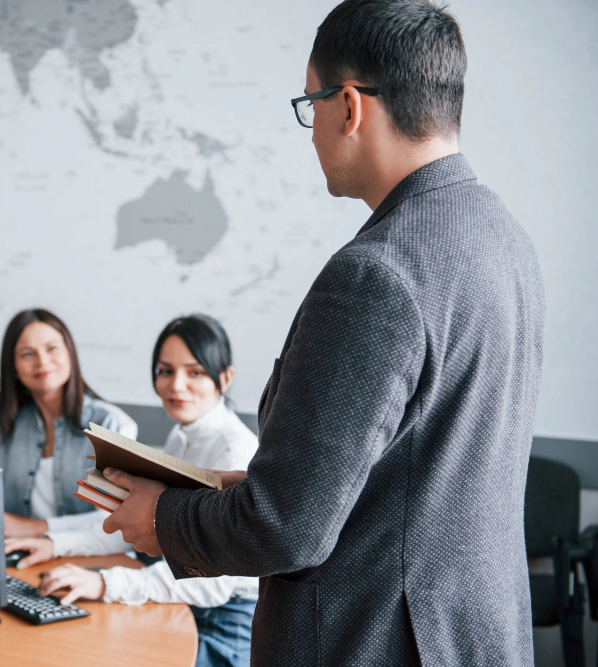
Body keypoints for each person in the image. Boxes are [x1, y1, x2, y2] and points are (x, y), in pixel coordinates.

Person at [103, 2, 545, 665]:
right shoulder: (504, 239)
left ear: (349, 106)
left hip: (373, 640)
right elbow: (418, 472)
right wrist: (245, 489)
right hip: (474, 636)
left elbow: (289, 529)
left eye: (311, 105)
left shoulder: (375, 275)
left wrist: (163, 520)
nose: (311, 133)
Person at [30, 315, 259, 667]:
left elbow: (212, 584)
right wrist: (56, 545)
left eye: (195, 372)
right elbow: (137, 519)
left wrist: (106, 584)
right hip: (179, 600)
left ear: (225, 378)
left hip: (221, 624)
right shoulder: (181, 435)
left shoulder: (234, 450)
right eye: (165, 371)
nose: (176, 386)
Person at [0, 308, 137, 555]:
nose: (42, 361)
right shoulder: (10, 423)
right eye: (27, 354)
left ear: (70, 353)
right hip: (23, 557)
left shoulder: (112, 424)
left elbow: (113, 519)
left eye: (52, 348)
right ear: (13, 368)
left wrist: (36, 528)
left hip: (96, 561)